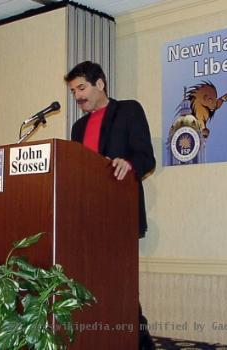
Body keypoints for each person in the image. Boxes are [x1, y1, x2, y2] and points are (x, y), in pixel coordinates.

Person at [65, 61, 156, 350]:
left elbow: (146, 157)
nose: (77, 95)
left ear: (100, 84)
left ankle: (140, 342)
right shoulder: (77, 128)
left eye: (82, 88)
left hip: (118, 213)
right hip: (86, 218)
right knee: (90, 283)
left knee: (121, 284)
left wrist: (127, 164)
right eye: (73, 91)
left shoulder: (128, 110)